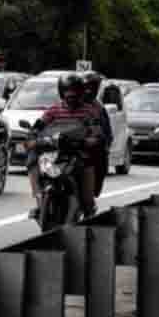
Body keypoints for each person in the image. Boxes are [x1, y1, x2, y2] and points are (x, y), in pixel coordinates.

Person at [27, 71, 113, 220]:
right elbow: (38, 126)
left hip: (80, 155)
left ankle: (88, 210)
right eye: (68, 91)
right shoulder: (53, 110)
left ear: (81, 92)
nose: (71, 95)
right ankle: (39, 200)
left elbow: (98, 134)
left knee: (87, 200)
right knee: (34, 162)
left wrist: (86, 141)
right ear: (62, 92)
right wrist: (33, 136)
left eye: (75, 91)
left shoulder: (89, 111)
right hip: (55, 154)